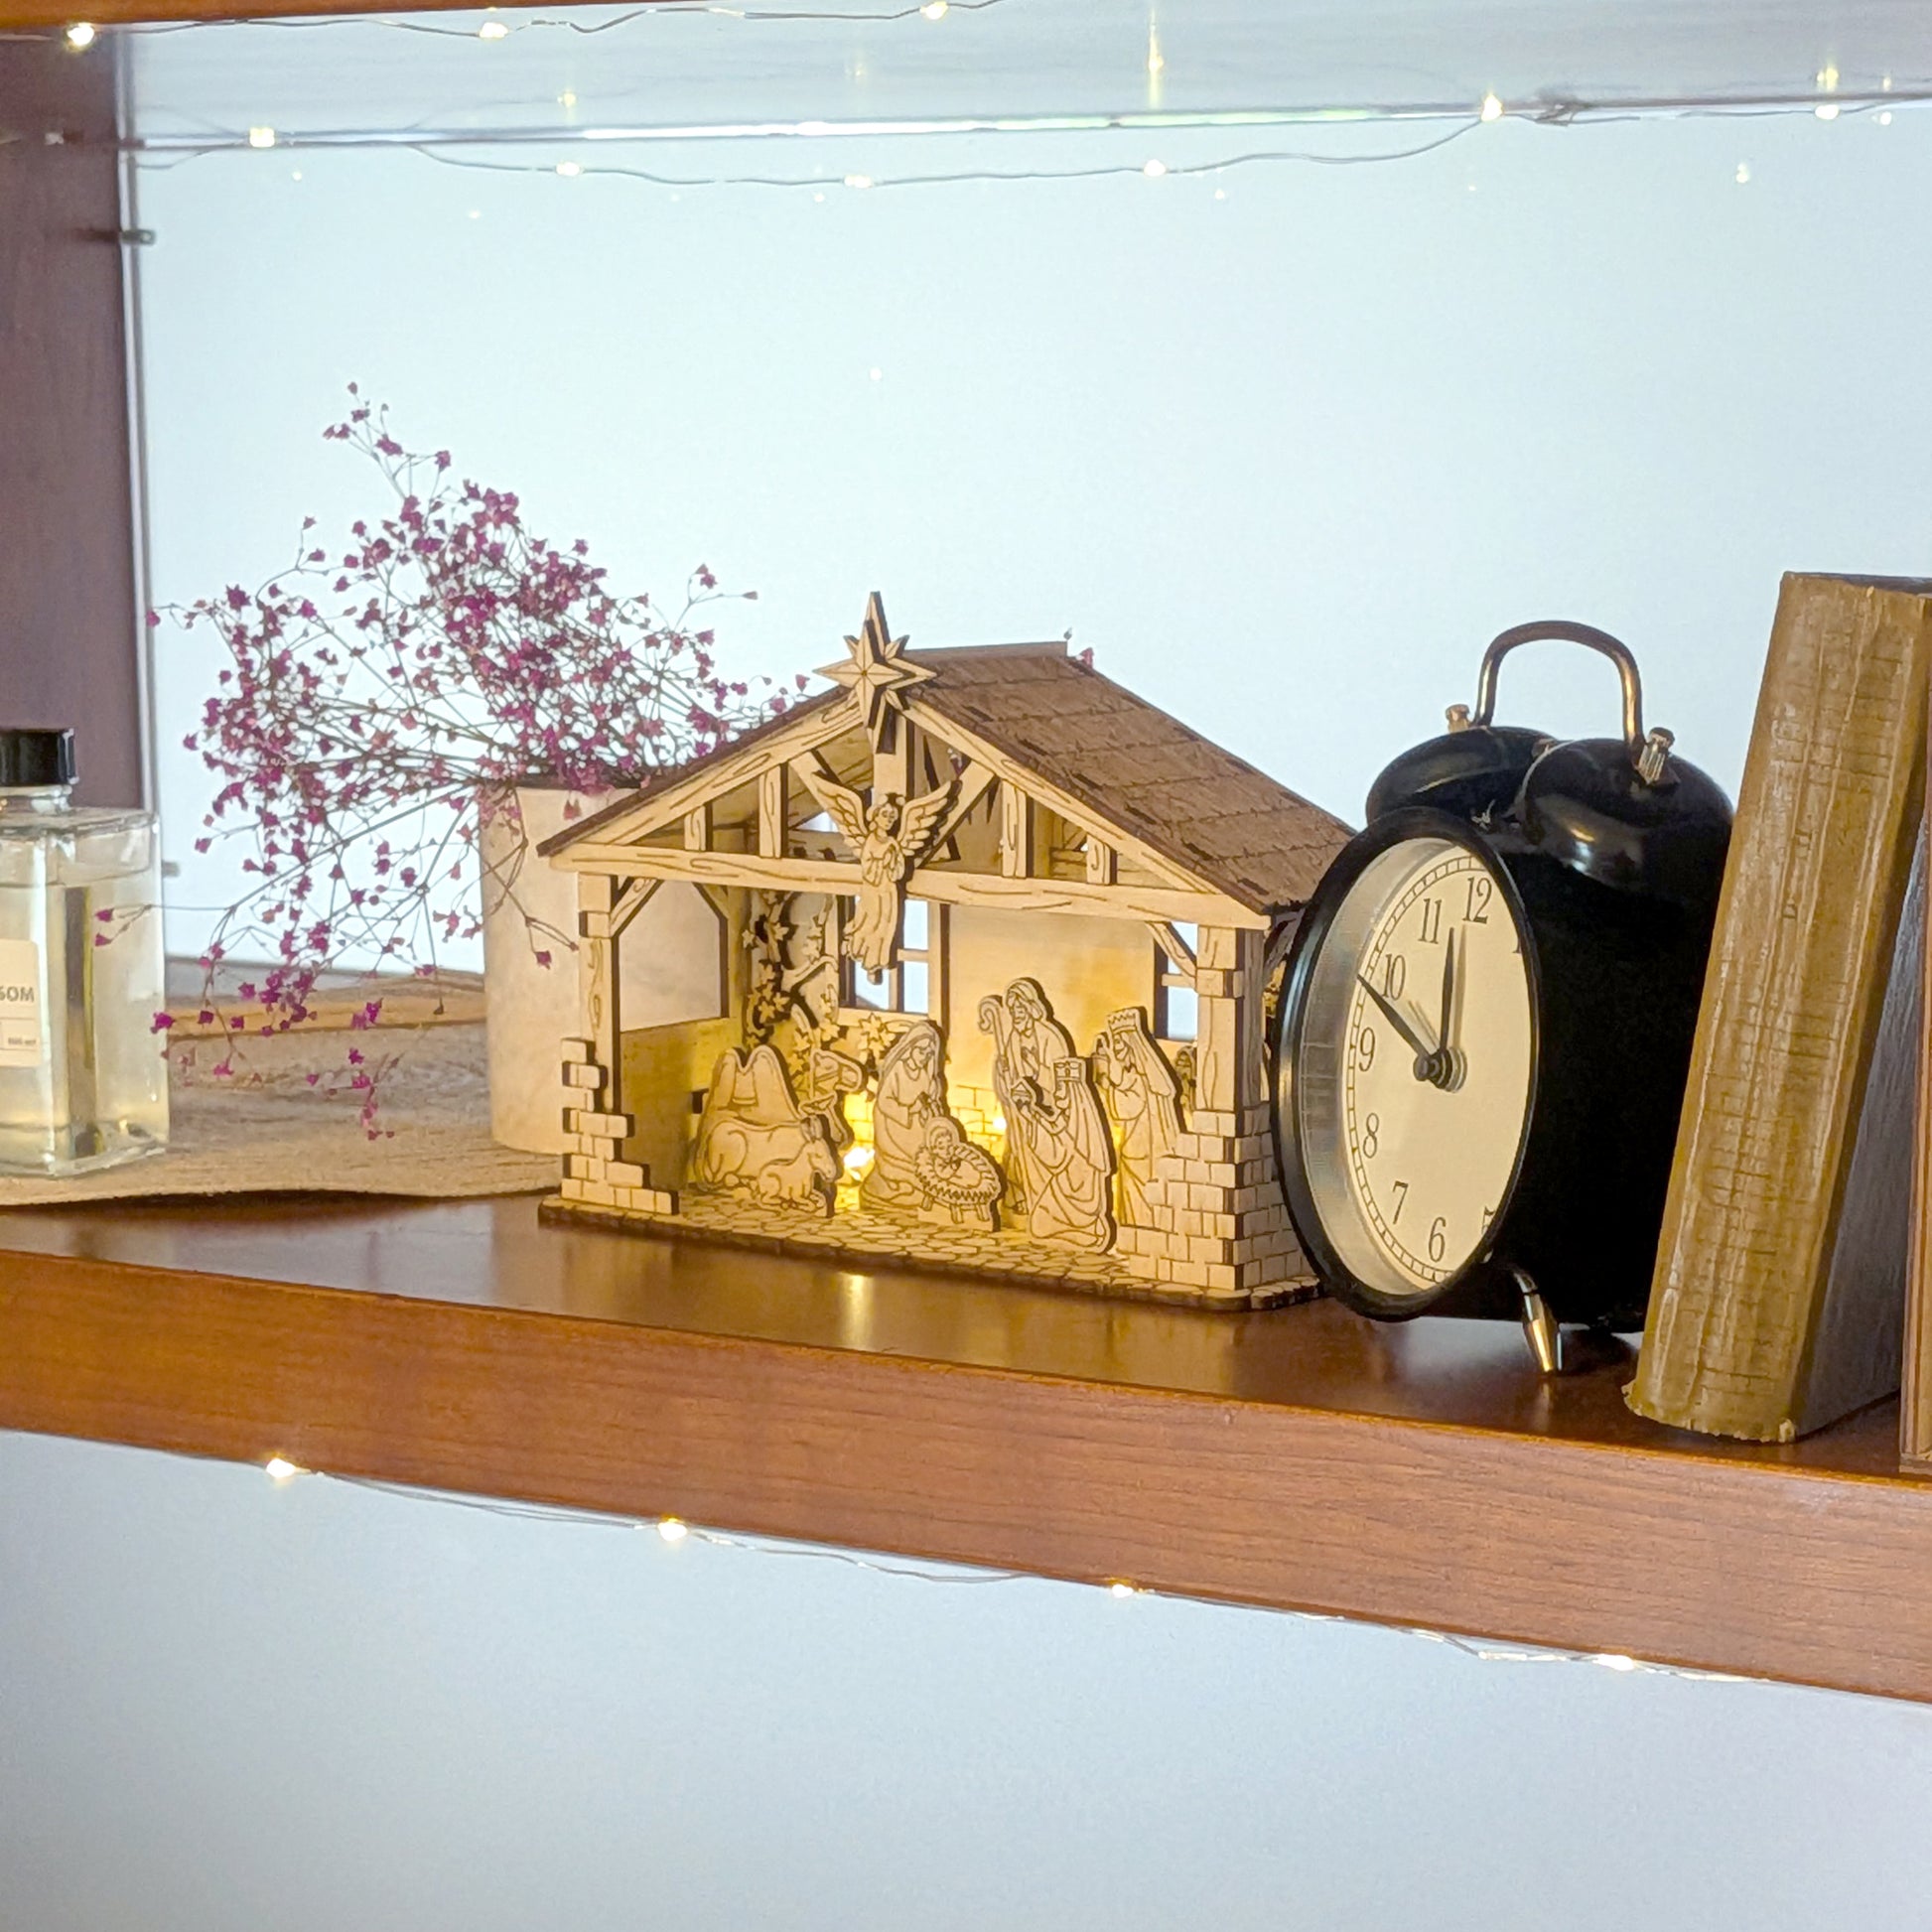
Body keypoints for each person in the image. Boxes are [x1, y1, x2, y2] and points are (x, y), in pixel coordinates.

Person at [979, 979, 1114, 1250]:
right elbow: (1011, 1071)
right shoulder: (1014, 1039)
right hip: (1026, 1111)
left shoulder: (1050, 1035)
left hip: (1050, 1108)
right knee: (1022, 1153)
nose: (1017, 1016)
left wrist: (1035, 1076)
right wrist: (1007, 1074)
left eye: (1021, 1010)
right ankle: (1030, 1199)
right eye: (1013, 1011)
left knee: (1048, 1155)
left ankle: (1049, 1207)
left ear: (1031, 1009)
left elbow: (1058, 1075)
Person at [1093, 1006, 1182, 1226]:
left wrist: (1114, 1079)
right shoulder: (1131, 1078)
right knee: (1130, 1200)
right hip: (1131, 1148)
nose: (1116, 1052)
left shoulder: (1140, 1080)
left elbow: (1128, 1106)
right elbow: (1118, 1114)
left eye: (1119, 1047)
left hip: (1144, 1151)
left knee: (1141, 1200)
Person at [863, 1021, 948, 1212]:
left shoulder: (927, 1073)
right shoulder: (898, 1070)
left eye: (929, 1054)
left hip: (917, 1125)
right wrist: (909, 1109)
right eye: (921, 1051)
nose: (924, 1057)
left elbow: (932, 1098)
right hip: (894, 1125)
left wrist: (931, 1105)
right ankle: (901, 1185)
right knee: (916, 1163)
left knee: (933, 1155)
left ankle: (926, 1186)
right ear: (910, 1048)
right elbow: (885, 1102)